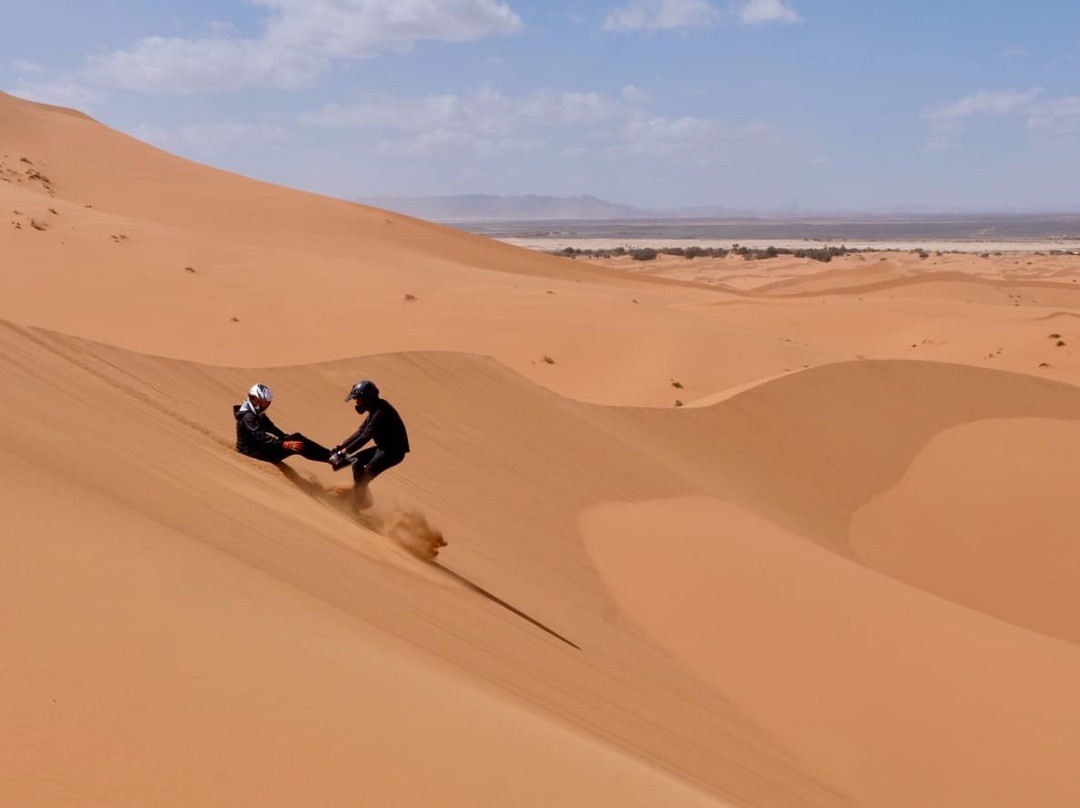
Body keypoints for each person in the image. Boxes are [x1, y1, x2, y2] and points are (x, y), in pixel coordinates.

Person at [329, 380, 410, 506]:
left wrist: (342, 453)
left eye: (357, 399)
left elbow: (364, 438)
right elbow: (360, 432)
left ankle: (356, 503)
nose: (356, 403)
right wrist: (340, 447)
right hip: (383, 448)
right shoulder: (375, 409)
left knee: (367, 472)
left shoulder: (381, 413)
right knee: (356, 463)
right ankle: (360, 497)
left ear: (367, 398)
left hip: (393, 452)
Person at [234, 383, 333, 465]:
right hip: (254, 453)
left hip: (260, 448)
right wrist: (284, 444)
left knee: (296, 437)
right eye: (262, 402)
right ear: (253, 399)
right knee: (298, 445)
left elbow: (271, 427)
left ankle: (329, 454)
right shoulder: (248, 416)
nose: (264, 405)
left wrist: (285, 437)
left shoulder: (256, 413)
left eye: (266, 403)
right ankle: (330, 458)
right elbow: (260, 436)